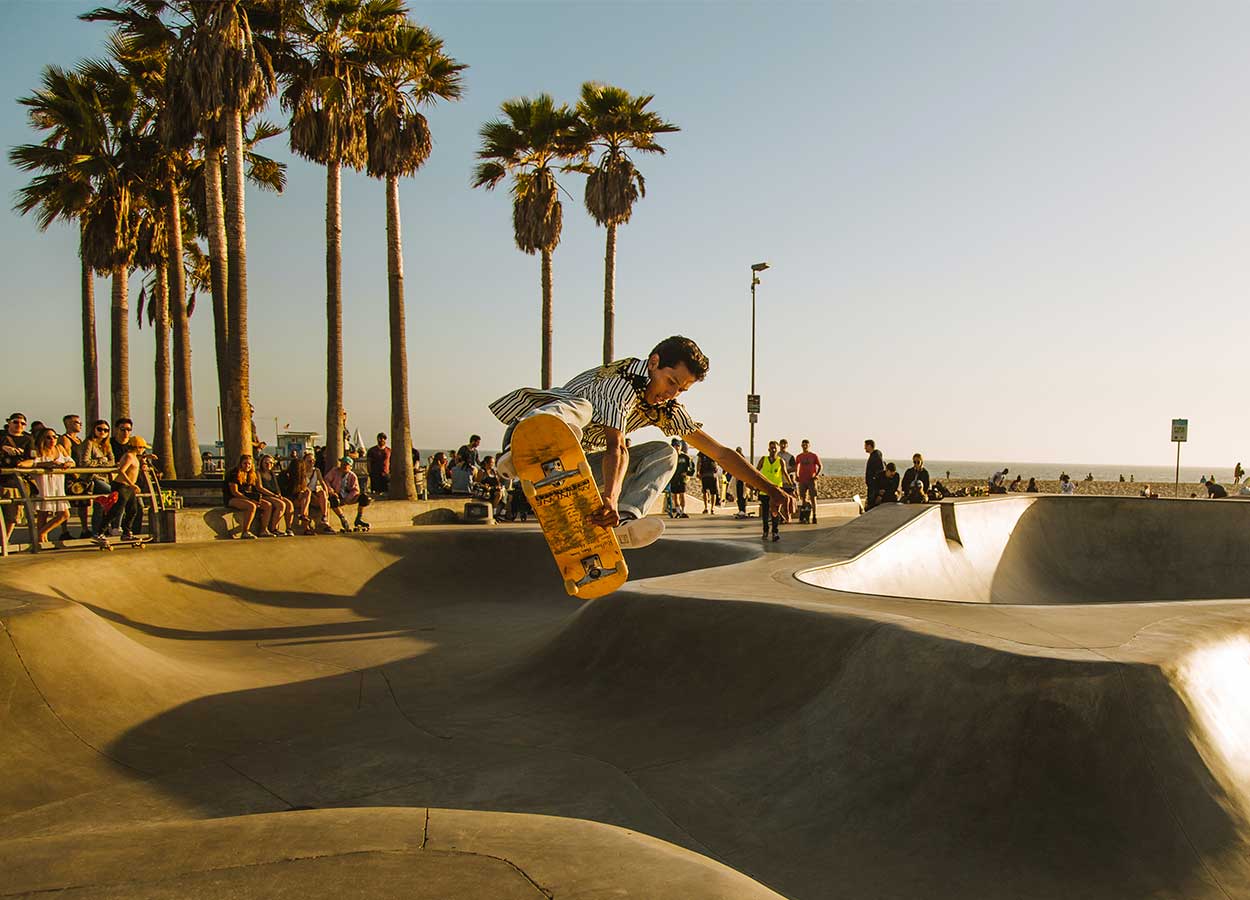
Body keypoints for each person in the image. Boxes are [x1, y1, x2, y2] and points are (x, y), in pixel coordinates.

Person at [490, 335, 797, 548]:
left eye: (681, 390)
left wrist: (772, 489)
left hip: (574, 467)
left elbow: (720, 453)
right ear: (653, 363)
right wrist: (608, 494)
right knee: (580, 408)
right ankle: (521, 454)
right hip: (527, 437)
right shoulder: (623, 381)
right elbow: (617, 447)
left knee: (666, 454)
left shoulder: (666, 409)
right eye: (671, 382)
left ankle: (622, 522)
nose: (671, 393)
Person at [20, 428, 74, 545]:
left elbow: (71, 460)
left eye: (54, 436)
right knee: (42, 515)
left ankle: (40, 534)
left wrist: (67, 464)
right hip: (44, 484)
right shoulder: (38, 451)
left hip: (57, 485)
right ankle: (41, 541)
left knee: (64, 514)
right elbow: (29, 463)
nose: (52, 439)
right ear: (42, 439)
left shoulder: (59, 448)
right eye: (48, 437)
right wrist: (47, 464)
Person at [222, 455, 275, 539]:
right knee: (251, 506)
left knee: (268, 505)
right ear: (240, 464)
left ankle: (263, 530)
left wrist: (255, 498)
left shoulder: (251, 474)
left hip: (246, 497)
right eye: (245, 463)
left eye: (249, 464)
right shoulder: (234, 473)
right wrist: (249, 500)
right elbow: (235, 492)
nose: (247, 466)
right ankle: (245, 531)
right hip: (232, 498)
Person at [1, 413, 34, 544]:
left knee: (12, 515)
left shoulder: (28, 439)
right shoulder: (1, 436)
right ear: (9, 422)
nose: (19, 425)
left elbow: (32, 459)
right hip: (1, 479)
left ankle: (4, 541)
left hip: (14, 482)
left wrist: (21, 465)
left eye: (22, 423)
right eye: (16, 422)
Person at [79, 420, 115, 537]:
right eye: (99, 429)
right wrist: (101, 461)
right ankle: (101, 530)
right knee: (113, 494)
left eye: (106, 430)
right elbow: (84, 462)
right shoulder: (89, 443)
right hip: (92, 479)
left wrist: (104, 463)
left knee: (99, 506)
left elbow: (112, 461)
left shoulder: (106, 445)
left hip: (105, 478)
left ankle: (99, 531)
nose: (102, 432)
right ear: (94, 429)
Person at [756, 440, 794, 541]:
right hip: (765, 489)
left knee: (775, 511)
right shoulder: (763, 459)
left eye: (775, 448)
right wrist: (755, 484)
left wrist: (792, 485)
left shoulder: (781, 461)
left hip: (776, 490)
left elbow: (785, 473)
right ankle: (765, 530)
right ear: (768, 449)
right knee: (765, 512)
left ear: (777, 450)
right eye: (771, 448)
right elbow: (756, 471)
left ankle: (775, 532)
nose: (773, 450)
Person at [324, 455, 372, 530]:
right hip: (336, 494)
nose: (343, 466)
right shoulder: (334, 471)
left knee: (365, 498)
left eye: (346, 464)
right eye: (342, 464)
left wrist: (347, 498)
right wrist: (331, 491)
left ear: (350, 467)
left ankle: (358, 518)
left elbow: (355, 490)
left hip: (348, 496)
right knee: (333, 500)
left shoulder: (352, 476)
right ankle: (342, 518)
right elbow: (326, 481)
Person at [257, 455, 295, 536]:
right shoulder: (258, 473)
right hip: (264, 495)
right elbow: (259, 488)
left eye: (270, 463)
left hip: (274, 495)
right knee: (281, 505)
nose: (268, 464)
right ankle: (274, 528)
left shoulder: (272, 473)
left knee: (289, 504)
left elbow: (276, 487)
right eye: (266, 463)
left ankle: (289, 528)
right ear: (261, 463)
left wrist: (279, 495)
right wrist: (273, 495)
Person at [794, 439, 822, 523]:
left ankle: (814, 515)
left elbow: (820, 466)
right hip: (802, 479)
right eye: (803, 445)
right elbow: (797, 466)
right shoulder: (799, 456)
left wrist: (816, 475)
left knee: (813, 497)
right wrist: (797, 475)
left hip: (811, 479)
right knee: (803, 498)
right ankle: (805, 515)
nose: (804, 446)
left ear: (809, 446)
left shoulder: (813, 456)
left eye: (806, 445)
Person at [667, 438, 693, 518]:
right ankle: (678, 511)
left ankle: (683, 511)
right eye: (675, 445)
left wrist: (688, 473)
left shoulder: (685, 457)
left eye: (678, 445)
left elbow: (691, 467)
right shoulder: (670, 457)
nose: (676, 447)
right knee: (675, 495)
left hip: (682, 478)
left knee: (682, 494)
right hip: (674, 478)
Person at [697, 449, 719, 514]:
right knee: (706, 492)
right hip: (706, 474)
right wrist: (698, 471)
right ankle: (707, 507)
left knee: (712, 492)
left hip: (711, 474)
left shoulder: (714, 451)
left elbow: (718, 461)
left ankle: (711, 508)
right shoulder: (702, 452)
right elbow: (699, 462)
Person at [864, 439, 884, 510]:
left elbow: (880, 472)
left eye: (865, 446)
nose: (864, 448)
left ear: (869, 446)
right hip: (872, 486)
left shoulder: (876, 457)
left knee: (872, 505)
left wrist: (874, 482)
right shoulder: (873, 456)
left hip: (874, 487)